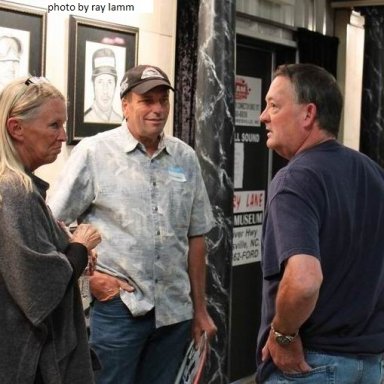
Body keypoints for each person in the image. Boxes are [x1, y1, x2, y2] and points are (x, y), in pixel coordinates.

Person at [49, 64, 217, 384]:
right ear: (125, 105)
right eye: (146, 100)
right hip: (118, 312)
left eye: (162, 101)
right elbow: (53, 221)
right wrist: (91, 278)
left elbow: (197, 237)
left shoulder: (185, 158)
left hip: (174, 314)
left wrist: (200, 309)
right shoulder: (94, 152)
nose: (157, 109)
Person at [256, 63, 384, 383]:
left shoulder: (294, 180)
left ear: (308, 114)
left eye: (274, 105)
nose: (263, 116)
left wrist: (283, 336)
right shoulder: (373, 173)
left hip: (310, 365)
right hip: (369, 366)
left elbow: (303, 280)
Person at [0, 77, 102, 383]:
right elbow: (39, 289)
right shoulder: (15, 191)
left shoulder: (19, 187)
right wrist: (80, 246)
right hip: (30, 364)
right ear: (16, 128)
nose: (63, 136)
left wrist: (63, 245)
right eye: (54, 125)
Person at [84, 47, 123, 124]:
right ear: (93, 84)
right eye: (100, 82)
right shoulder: (86, 118)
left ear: (115, 85)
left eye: (110, 82)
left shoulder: (120, 120)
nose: (105, 91)